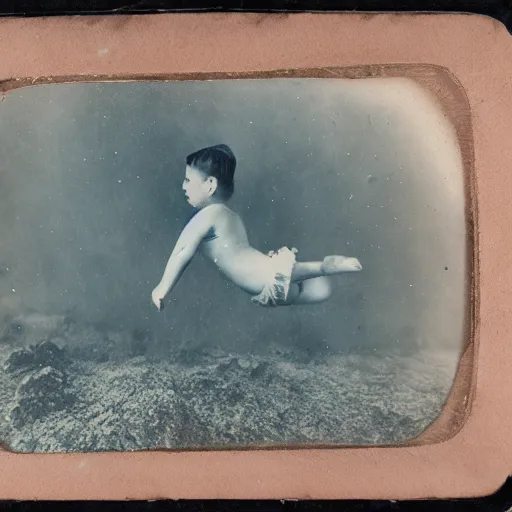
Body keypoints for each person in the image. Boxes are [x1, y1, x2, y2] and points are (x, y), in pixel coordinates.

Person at [151, 144, 362, 311]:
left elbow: (182, 251)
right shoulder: (232, 217)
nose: (183, 186)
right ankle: (327, 272)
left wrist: (163, 287)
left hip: (262, 279)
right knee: (315, 289)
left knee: (301, 281)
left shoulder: (208, 215)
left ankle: (323, 268)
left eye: (188, 180)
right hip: (267, 277)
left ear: (210, 185)